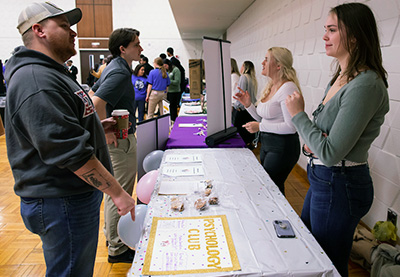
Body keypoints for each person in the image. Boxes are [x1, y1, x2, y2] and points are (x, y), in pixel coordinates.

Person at [4, 2, 135, 276]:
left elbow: (59, 129)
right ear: (39, 30)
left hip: (69, 196)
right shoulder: (36, 80)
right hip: (60, 200)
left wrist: (98, 127)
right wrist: (117, 193)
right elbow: (68, 152)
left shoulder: (52, 73)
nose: (74, 32)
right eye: (64, 26)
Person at [285, 3, 389, 276]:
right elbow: (321, 139)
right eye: (325, 30)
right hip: (325, 179)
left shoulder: (365, 84)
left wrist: (299, 116)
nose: (324, 36)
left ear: (354, 36)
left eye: (332, 30)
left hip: (340, 184)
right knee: (311, 249)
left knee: (328, 264)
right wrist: (317, 139)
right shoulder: (342, 76)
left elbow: (330, 152)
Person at [90, 28, 143, 264]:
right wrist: (106, 133)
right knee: (119, 192)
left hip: (119, 139)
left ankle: (111, 237)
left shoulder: (113, 67)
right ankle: (117, 247)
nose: (140, 49)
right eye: (136, 45)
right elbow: (95, 102)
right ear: (123, 49)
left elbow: (90, 93)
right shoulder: (119, 72)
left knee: (116, 192)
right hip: (119, 141)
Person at [234, 48, 301, 195]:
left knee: (271, 188)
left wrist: (260, 127)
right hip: (269, 144)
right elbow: (261, 119)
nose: (262, 63)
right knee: (271, 188)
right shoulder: (272, 86)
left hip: (283, 147)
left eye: (266, 59)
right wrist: (248, 105)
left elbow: (291, 127)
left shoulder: (288, 88)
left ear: (278, 65)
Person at [232, 60, 258, 147]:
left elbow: (241, 93)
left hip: (242, 109)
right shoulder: (252, 78)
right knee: (247, 133)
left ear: (244, 67)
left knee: (240, 132)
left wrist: (236, 106)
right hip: (250, 109)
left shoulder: (243, 77)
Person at [164, 58, 181, 122]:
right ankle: (171, 119)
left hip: (175, 91)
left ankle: (174, 119)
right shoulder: (167, 71)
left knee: (173, 107)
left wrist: (168, 81)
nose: (165, 67)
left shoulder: (176, 70)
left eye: (165, 66)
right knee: (170, 107)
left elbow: (177, 81)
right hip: (169, 91)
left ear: (168, 64)